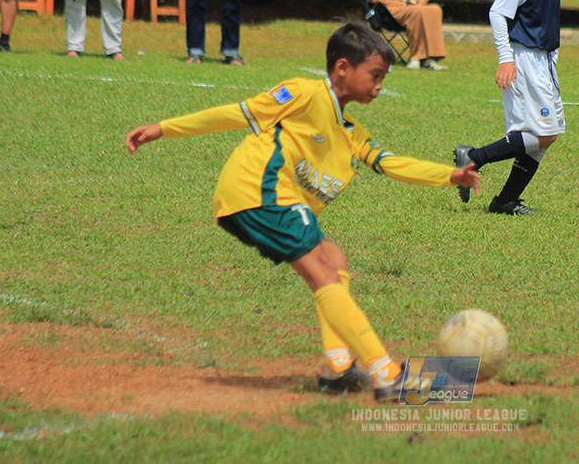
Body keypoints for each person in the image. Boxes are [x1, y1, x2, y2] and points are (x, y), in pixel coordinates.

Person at [125, 23, 480, 399]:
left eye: (383, 78)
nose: (379, 86)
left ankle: (337, 367)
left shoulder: (351, 132)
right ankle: (386, 374)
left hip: (271, 199)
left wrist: (450, 176)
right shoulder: (304, 93)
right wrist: (163, 129)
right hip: (259, 192)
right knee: (323, 275)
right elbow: (238, 113)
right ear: (342, 67)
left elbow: (389, 162)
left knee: (333, 260)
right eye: (375, 75)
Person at [453, 0, 570, 215]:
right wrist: (506, 59)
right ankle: (474, 158)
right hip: (525, 62)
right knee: (543, 133)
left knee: (547, 136)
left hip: (543, 63)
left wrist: (552, 57)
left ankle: (505, 200)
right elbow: (497, 13)